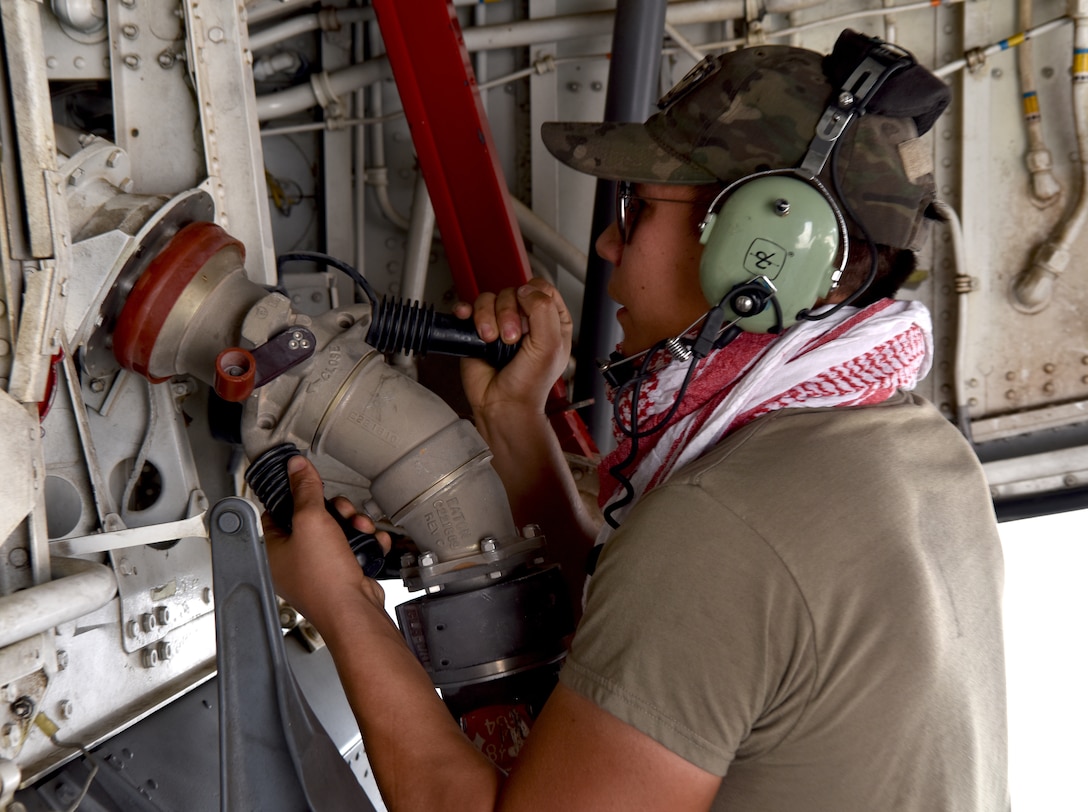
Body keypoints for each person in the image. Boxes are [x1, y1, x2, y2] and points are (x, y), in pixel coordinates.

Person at [265, 30, 1009, 811]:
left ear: (765, 252)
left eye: (639, 207)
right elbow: (669, 646)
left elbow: (702, 585)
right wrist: (515, 419)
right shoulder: (921, 454)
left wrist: (343, 607)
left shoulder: (726, 530)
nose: (608, 241)